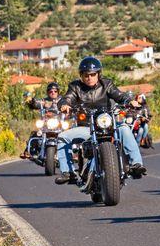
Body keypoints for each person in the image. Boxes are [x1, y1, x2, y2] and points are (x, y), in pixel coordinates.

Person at [54, 56, 146, 184]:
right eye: (86, 75)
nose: (90, 77)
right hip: (87, 127)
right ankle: (68, 172)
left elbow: (119, 95)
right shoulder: (75, 87)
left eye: (93, 74)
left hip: (108, 124)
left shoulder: (106, 84)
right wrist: (64, 105)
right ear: (81, 76)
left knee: (124, 128)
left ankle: (136, 165)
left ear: (98, 74)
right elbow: (67, 98)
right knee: (63, 136)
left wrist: (129, 101)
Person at [20, 81, 65, 159]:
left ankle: (74, 152)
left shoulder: (63, 100)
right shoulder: (44, 101)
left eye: (55, 91)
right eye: (50, 91)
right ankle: (28, 151)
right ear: (48, 92)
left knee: (69, 133)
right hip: (46, 124)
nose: (53, 93)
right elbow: (36, 103)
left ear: (58, 92)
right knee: (36, 134)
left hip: (59, 124)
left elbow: (70, 104)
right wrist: (31, 101)